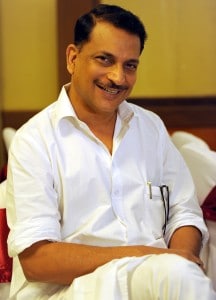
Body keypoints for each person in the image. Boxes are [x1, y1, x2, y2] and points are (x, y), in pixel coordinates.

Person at [5, 4, 216, 300]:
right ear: (73, 58)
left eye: (130, 65)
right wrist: (146, 258)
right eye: (105, 59)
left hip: (158, 283)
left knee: (181, 276)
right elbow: (38, 261)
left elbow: (185, 213)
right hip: (70, 291)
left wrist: (177, 259)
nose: (118, 77)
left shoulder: (151, 128)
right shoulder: (35, 140)